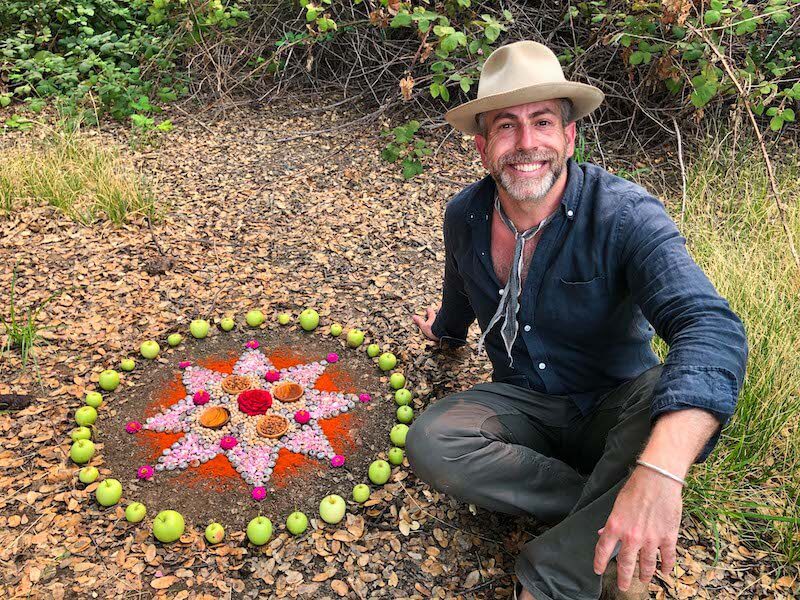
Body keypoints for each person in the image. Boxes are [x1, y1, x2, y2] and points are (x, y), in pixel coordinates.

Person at [407, 41, 748, 600]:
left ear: (568, 136)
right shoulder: (464, 214)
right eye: (505, 127)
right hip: (523, 400)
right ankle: (613, 510)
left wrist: (660, 473)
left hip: (614, 405)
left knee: (674, 389)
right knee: (433, 442)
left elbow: (710, 326)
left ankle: (556, 576)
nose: (526, 145)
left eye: (542, 122)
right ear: (482, 146)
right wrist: (445, 330)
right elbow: (460, 287)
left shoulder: (624, 213)